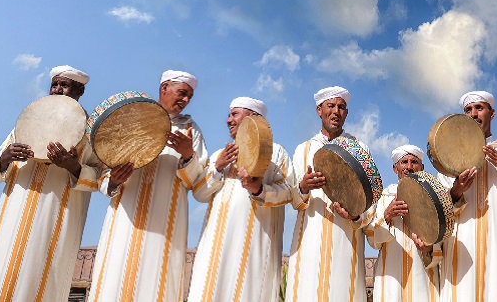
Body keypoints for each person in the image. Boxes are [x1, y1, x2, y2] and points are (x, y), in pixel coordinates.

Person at [87, 70, 208, 301]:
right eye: (182, 93)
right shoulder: (132, 116)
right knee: (115, 278)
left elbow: (200, 183)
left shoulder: (190, 130)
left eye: (190, 97)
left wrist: (188, 155)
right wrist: (113, 181)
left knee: (155, 284)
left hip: (164, 225)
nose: (186, 100)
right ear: (164, 89)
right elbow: (104, 168)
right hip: (125, 218)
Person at [0, 65, 101, 302]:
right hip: (14, 211)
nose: (57, 90)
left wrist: (72, 166)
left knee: (39, 276)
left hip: (55, 215)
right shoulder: (29, 119)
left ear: (80, 91)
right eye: (55, 85)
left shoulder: (90, 130)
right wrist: (6, 157)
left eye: (64, 85)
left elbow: (100, 176)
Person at [188, 97, 292, 302]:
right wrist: (217, 168)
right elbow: (199, 193)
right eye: (229, 114)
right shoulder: (220, 154)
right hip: (215, 247)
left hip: (255, 245)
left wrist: (259, 189)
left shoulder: (275, 152)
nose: (228, 120)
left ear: (252, 118)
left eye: (234, 114)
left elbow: (289, 191)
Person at [285, 86, 376, 302]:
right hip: (310, 241)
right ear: (319, 110)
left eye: (341, 107)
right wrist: (303, 187)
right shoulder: (303, 149)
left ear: (346, 113)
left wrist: (355, 215)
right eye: (331, 106)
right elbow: (293, 199)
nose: (336, 111)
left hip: (346, 241)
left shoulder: (359, 149)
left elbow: (370, 202)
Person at [437, 90, 497, 302]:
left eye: (479, 108)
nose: (474, 114)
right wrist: (457, 191)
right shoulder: (448, 155)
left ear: (492, 113)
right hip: (463, 244)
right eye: (468, 109)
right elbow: (439, 209)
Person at [366, 144, 442, 302]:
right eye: (404, 162)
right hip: (391, 279)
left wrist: (430, 247)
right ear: (395, 168)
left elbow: (443, 239)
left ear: (421, 167)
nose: (409, 167)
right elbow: (373, 241)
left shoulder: (434, 198)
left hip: (423, 276)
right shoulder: (385, 198)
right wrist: (387, 215)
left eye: (414, 162)